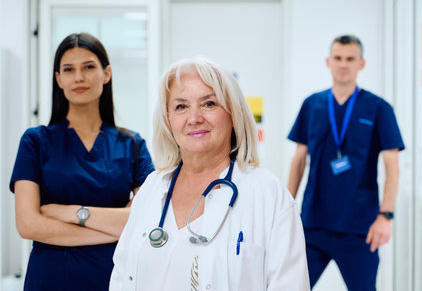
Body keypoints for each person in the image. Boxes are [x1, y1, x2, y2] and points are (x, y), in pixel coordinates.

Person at [109, 57, 310, 290]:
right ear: (168, 120)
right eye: (181, 106)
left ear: (233, 114)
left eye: (209, 104)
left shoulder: (269, 195)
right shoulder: (152, 189)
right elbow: (122, 277)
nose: (194, 119)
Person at [9, 32, 154, 291]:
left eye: (88, 67)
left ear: (106, 74)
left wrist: (71, 213)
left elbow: (144, 220)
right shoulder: (35, 141)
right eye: (68, 69)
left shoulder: (132, 144)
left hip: (113, 278)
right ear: (59, 79)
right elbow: (28, 224)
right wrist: (113, 230)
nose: (78, 77)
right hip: (51, 279)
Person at [287, 35, 404, 290]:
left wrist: (386, 215)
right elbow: (298, 160)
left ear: (361, 64)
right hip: (313, 225)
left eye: (350, 59)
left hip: (360, 228)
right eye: (338, 58)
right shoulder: (312, 104)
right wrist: (285, 207)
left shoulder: (379, 108)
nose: (343, 64)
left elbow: (392, 167)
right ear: (328, 62)